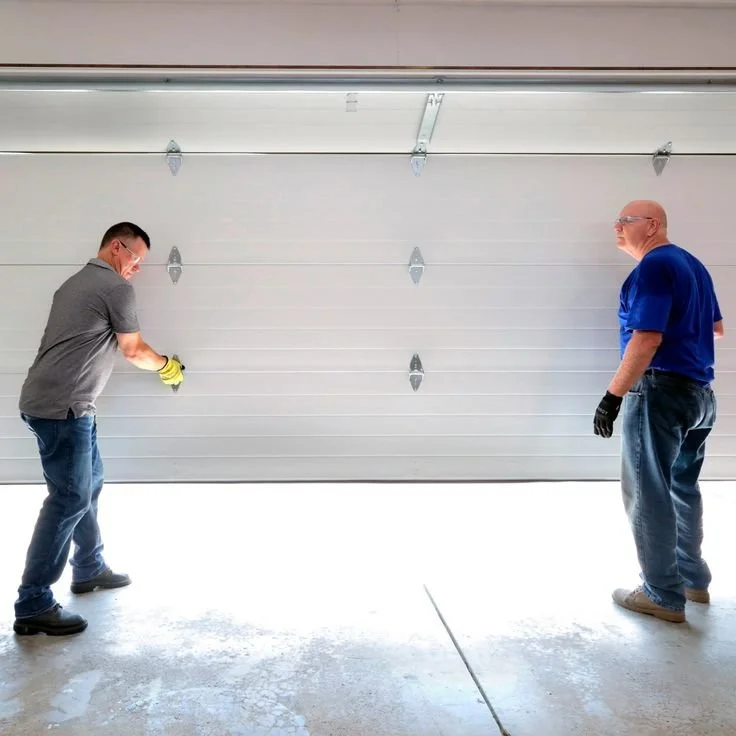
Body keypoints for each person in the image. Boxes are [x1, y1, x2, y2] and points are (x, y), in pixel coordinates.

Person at [13, 222, 185, 636]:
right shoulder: (113, 287)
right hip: (63, 408)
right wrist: (167, 367)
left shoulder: (75, 282)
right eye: (135, 258)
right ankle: (33, 601)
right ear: (115, 247)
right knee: (69, 497)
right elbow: (133, 349)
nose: (137, 267)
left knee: (87, 487)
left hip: (65, 404)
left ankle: (88, 567)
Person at [593, 200, 723, 624]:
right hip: (698, 394)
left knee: (647, 491)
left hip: (660, 392)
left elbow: (646, 337)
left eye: (624, 221)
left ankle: (661, 594)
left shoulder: (653, 266)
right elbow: (715, 328)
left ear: (651, 225)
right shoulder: (692, 266)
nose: (617, 227)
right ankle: (693, 581)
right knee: (682, 487)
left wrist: (614, 395)